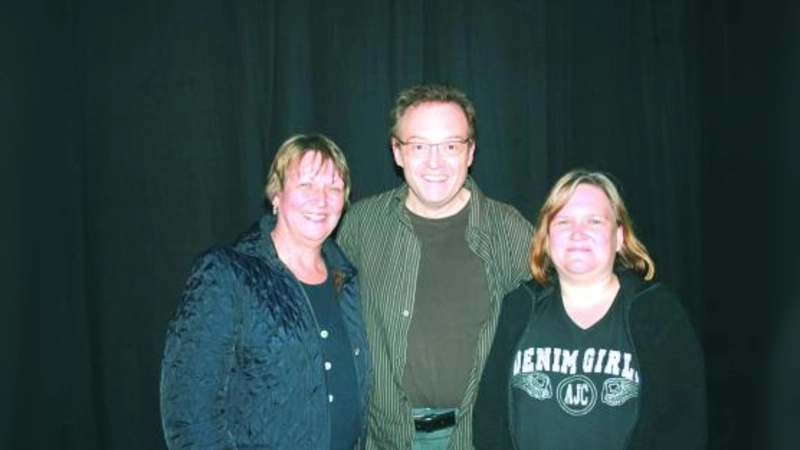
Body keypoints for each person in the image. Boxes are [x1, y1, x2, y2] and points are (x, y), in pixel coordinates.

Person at [337, 83, 534, 449]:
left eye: (450, 146)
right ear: (397, 152)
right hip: (386, 438)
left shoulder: (509, 231)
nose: (434, 162)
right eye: (419, 146)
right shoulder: (362, 225)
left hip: (476, 437)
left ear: (470, 152)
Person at [160, 134, 370, 450]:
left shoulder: (347, 279)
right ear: (276, 194)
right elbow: (189, 414)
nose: (321, 200)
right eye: (306, 185)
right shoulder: (228, 274)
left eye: (334, 188)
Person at [473, 169, 707, 450]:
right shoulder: (519, 307)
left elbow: (684, 427)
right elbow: (489, 421)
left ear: (619, 237)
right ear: (547, 238)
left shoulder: (656, 312)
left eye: (594, 221)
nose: (578, 233)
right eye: (563, 222)